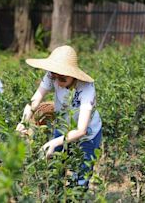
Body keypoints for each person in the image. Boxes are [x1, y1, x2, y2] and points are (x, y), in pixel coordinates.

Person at [16, 45, 102, 187]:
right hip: (63, 127)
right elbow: (35, 99)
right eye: (54, 77)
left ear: (73, 76)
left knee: (80, 177)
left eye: (62, 79)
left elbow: (81, 130)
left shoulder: (87, 88)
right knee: (54, 170)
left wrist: (55, 142)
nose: (57, 83)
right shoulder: (52, 75)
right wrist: (23, 122)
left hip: (88, 135)